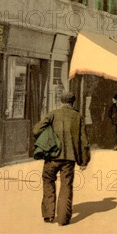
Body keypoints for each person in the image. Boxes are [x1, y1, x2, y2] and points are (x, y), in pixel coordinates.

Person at [33, 92, 90, 226]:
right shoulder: (78, 117)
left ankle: (48, 215)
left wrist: (48, 137)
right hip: (69, 159)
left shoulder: (53, 114)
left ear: (61, 101)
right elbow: (84, 141)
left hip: (52, 156)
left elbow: (36, 130)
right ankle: (63, 219)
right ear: (73, 102)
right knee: (66, 186)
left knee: (48, 181)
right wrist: (84, 161)